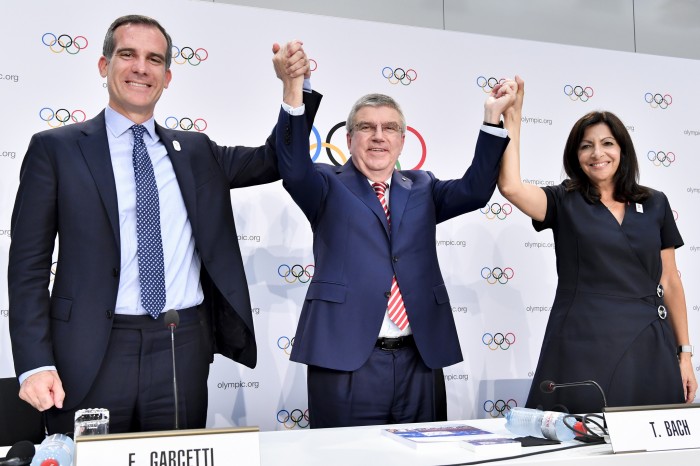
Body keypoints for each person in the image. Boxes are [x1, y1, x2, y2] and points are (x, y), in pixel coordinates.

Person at [8, 14, 321, 434]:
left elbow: (275, 159)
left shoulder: (195, 151)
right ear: (104, 66)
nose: (141, 67)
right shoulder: (56, 150)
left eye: (154, 59)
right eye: (127, 55)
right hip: (89, 350)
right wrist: (34, 363)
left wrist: (291, 90)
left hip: (182, 345)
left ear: (168, 76)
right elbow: (27, 268)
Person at [272, 67, 517, 426]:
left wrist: (492, 118)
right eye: (366, 127)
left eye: (389, 128)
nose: (378, 136)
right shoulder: (326, 183)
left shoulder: (423, 186)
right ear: (349, 138)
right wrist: (296, 90)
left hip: (419, 359)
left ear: (402, 141)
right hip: (345, 359)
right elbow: (293, 170)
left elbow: (477, 191)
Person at [498, 77, 697, 413]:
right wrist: (513, 120)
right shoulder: (564, 200)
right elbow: (511, 188)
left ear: (622, 150)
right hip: (581, 343)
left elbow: (670, 280)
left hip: (649, 343)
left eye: (607, 143)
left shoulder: (654, 203)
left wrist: (686, 354)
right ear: (576, 155)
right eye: (586, 145)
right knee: (578, 444)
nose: (598, 153)